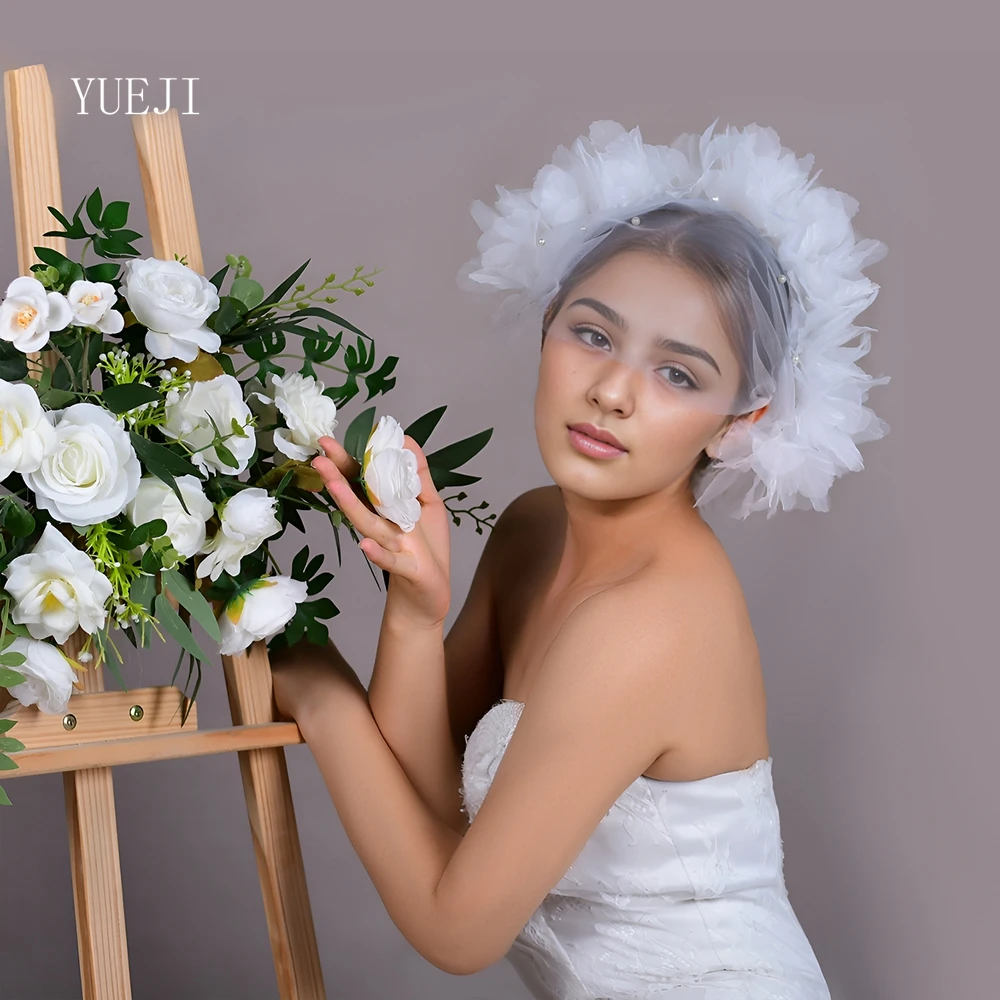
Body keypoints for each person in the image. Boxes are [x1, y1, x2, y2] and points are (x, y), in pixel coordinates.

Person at [269, 120, 890, 999]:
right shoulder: (532, 530)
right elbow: (441, 799)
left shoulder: (653, 618)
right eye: (594, 334)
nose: (612, 391)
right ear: (548, 321)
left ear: (739, 422)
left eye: (680, 375)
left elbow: (457, 927)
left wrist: (312, 682)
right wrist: (414, 621)